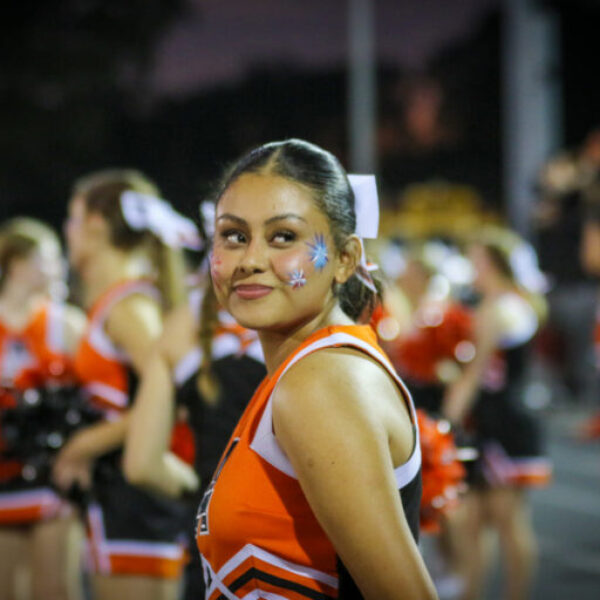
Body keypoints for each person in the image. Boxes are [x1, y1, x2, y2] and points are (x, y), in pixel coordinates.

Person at [195, 138, 438, 599]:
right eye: (234, 235)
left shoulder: (322, 382)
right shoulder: (304, 372)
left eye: (283, 236)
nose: (249, 260)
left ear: (345, 259)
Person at [52, 169, 196, 600]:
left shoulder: (128, 308)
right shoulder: (119, 301)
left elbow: (174, 400)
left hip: (138, 499)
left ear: (96, 227)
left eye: (73, 219)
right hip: (122, 495)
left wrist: (83, 445)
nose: (68, 232)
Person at [124, 275, 267, 599]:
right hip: (298, 558)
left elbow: (141, 465)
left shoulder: (181, 323)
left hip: (214, 555)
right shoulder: (310, 313)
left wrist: (208, 492)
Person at [442, 229, 552, 600]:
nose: (470, 269)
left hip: (505, 424)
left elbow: (476, 375)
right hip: (492, 421)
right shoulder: (503, 303)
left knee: (507, 521)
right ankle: (471, 592)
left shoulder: (499, 308)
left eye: (475, 261)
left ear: (492, 264)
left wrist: (448, 417)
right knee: (472, 520)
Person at [0, 217, 86, 600]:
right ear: (18, 263)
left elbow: (94, 400)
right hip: (2, 475)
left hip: (54, 476)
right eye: (49, 259)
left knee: (54, 590)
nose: (59, 268)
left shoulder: (66, 324)